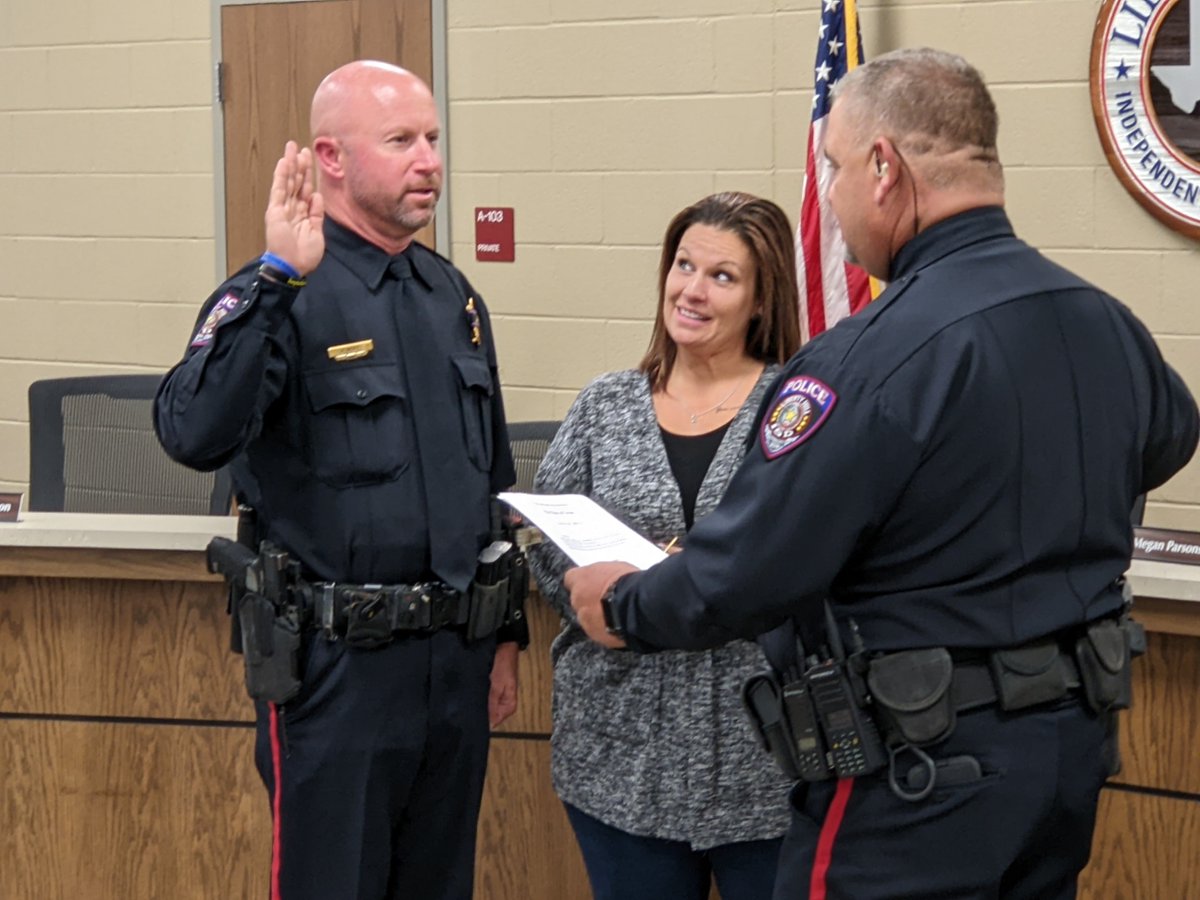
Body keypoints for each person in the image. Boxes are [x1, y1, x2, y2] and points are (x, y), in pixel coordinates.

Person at [563, 48, 1200, 900]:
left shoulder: (870, 360)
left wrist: (621, 603)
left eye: (832, 167)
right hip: (1065, 752)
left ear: (884, 168)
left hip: (919, 777)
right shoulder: (1103, 321)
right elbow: (1168, 438)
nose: (828, 193)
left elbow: (749, 571)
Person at [154, 61, 523, 900]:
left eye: (432, 138)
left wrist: (505, 638)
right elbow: (190, 431)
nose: (429, 160)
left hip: (452, 668)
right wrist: (277, 279)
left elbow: (490, 482)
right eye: (401, 141)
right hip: (336, 673)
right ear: (330, 156)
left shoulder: (452, 297)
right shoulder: (280, 292)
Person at [529, 192, 802, 900]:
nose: (692, 290)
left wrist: (694, 581)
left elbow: (821, 550)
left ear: (761, 301)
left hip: (764, 761)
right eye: (684, 266)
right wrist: (585, 593)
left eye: (723, 277)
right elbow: (547, 540)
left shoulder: (797, 411)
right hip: (619, 756)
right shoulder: (606, 405)